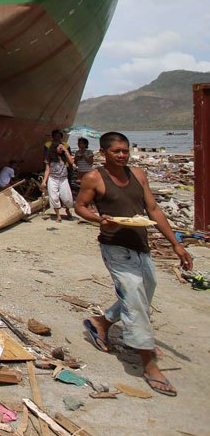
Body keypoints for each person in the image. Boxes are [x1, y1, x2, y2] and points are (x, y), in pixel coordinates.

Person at [74, 131, 192, 397]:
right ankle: (148, 363)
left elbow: (153, 209)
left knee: (145, 292)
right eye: (117, 151)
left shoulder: (138, 174)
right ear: (104, 153)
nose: (122, 155)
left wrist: (176, 243)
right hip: (115, 247)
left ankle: (100, 324)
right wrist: (99, 219)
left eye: (125, 150)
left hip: (141, 245)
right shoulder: (95, 177)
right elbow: (80, 206)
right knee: (136, 301)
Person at [43, 130, 75, 221]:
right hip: (53, 178)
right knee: (54, 197)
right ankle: (58, 216)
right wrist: (44, 181)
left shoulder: (64, 153)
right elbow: (47, 170)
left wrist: (65, 150)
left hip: (63, 179)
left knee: (67, 198)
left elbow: (71, 161)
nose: (61, 149)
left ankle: (68, 211)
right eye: (59, 148)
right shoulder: (49, 157)